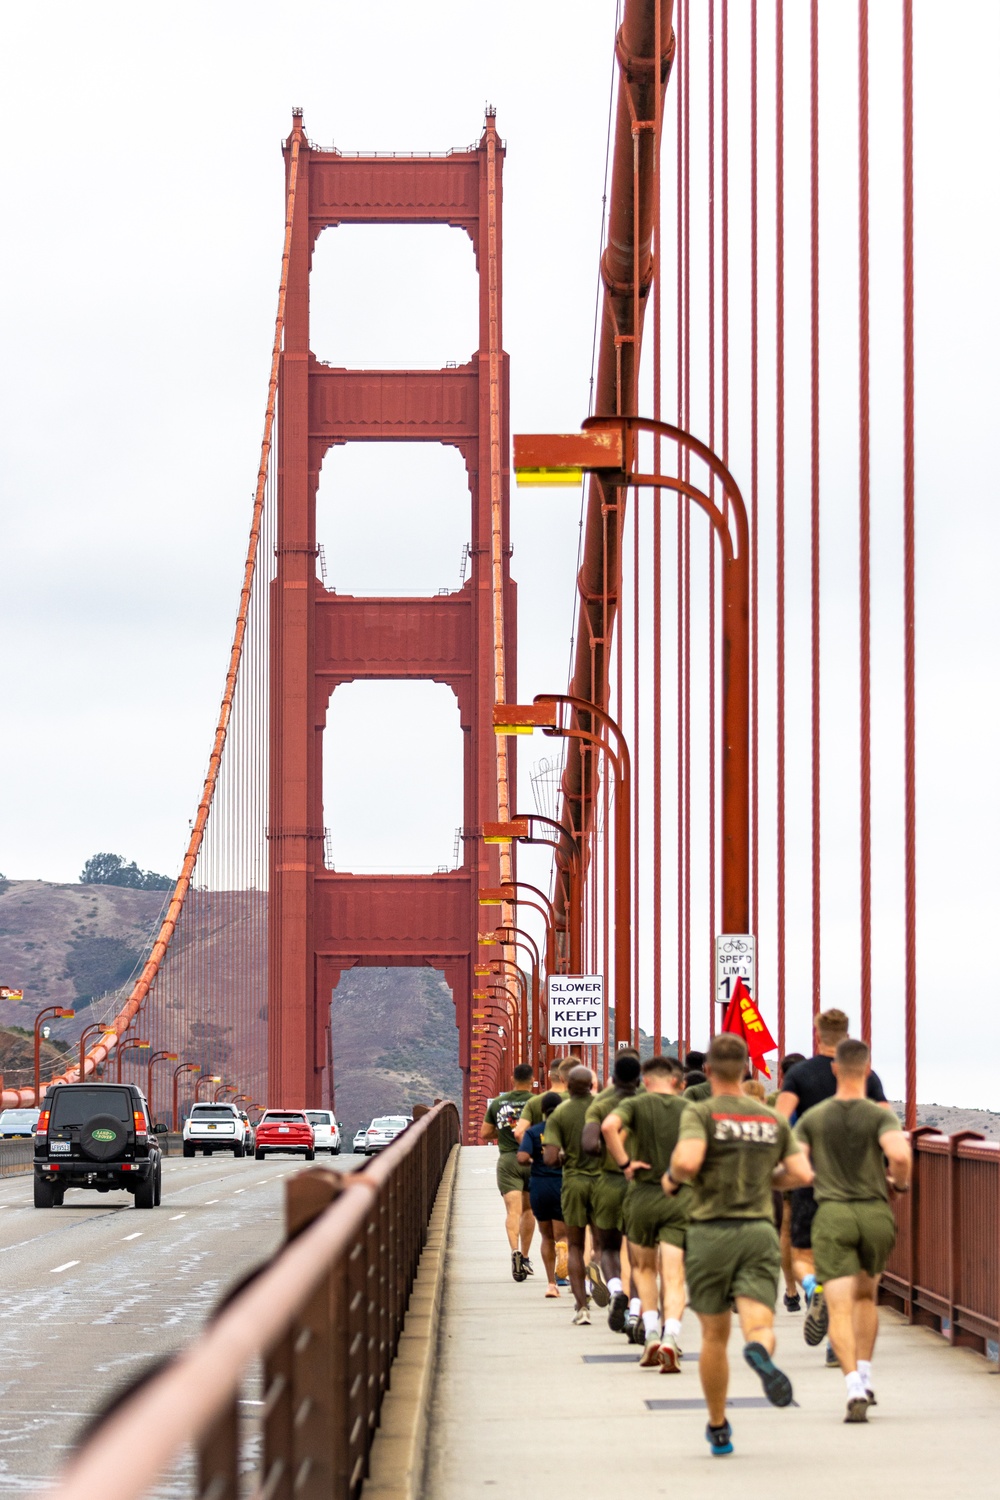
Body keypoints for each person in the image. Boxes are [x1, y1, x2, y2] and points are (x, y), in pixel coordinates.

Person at [666, 1033, 813, 1457]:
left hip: (710, 1232)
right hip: (757, 1232)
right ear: (747, 1068)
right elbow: (802, 1174)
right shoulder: (771, 1118)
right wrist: (766, 1179)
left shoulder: (701, 1113)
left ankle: (717, 1427)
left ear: (708, 1072)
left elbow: (689, 1160)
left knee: (713, 1336)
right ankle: (759, 1349)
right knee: (759, 1322)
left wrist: (674, 1178)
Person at [794, 1038, 911, 1422]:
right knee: (866, 1298)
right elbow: (898, 1155)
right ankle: (865, 1372)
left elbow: (794, 1166)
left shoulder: (816, 1118)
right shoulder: (880, 1117)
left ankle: (853, 1386)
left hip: (833, 1215)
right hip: (875, 1212)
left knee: (839, 1305)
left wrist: (796, 1180)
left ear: (833, 1069)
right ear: (868, 1068)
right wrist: (899, 1184)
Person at [776, 1010, 889, 1351]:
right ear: (847, 1033)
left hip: (811, 1178)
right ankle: (837, 1347)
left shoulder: (799, 1075)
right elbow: (887, 1124)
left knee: (802, 1255)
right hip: (860, 1182)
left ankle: (812, 1289)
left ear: (817, 1033)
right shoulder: (867, 1077)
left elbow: (780, 1120)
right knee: (852, 1267)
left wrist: (784, 1163)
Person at [603, 1054, 689, 1372]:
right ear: (679, 1083)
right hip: (679, 1198)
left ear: (647, 1081)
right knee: (674, 1273)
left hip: (641, 1197)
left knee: (643, 1268)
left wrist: (626, 1164)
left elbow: (609, 1126)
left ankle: (650, 1331)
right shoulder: (689, 1109)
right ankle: (672, 1336)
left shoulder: (636, 1105)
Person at [581, 1051, 642, 1330]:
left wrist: (607, 1155)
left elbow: (590, 1144)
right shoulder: (647, 1102)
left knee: (608, 1247)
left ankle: (616, 1290)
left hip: (608, 1182)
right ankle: (637, 1311)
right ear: (639, 1078)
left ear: (613, 1077)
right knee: (642, 1254)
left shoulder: (600, 1103)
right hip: (641, 1184)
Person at [542, 1065, 600, 1324]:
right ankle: (606, 1276)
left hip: (574, 1182)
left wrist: (565, 1156)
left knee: (575, 1245)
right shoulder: (605, 1107)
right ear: (591, 1085)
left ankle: (581, 1307)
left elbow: (551, 1158)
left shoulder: (560, 1114)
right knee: (604, 1243)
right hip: (604, 1183)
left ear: (566, 1084)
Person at [480, 1063, 536, 1281]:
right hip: (531, 1160)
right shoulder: (536, 1102)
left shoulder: (499, 1103)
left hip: (507, 1161)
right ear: (532, 1080)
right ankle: (526, 1256)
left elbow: (485, 1133)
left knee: (513, 1211)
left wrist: (505, 1130)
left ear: (512, 1078)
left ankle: (514, 1250)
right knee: (528, 1211)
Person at [517, 1091, 566, 1297]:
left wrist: (534, 1161)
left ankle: (551, 1284)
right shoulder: (566, 1131)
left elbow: (521, 1157)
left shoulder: (534, 1132)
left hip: (539, 1186)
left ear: (542, 1111)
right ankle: (564, 1263)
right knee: (562, 1235)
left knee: (546, 1236)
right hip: (562, 1184)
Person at [768, 1052, 806, 1310]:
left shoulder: (775, 1102)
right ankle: (815, 1285)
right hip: (816, 1172)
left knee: (785, 1231)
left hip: (787, 1170)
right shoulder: (816, 1099)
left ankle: (791, 1291)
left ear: (782, 1074)